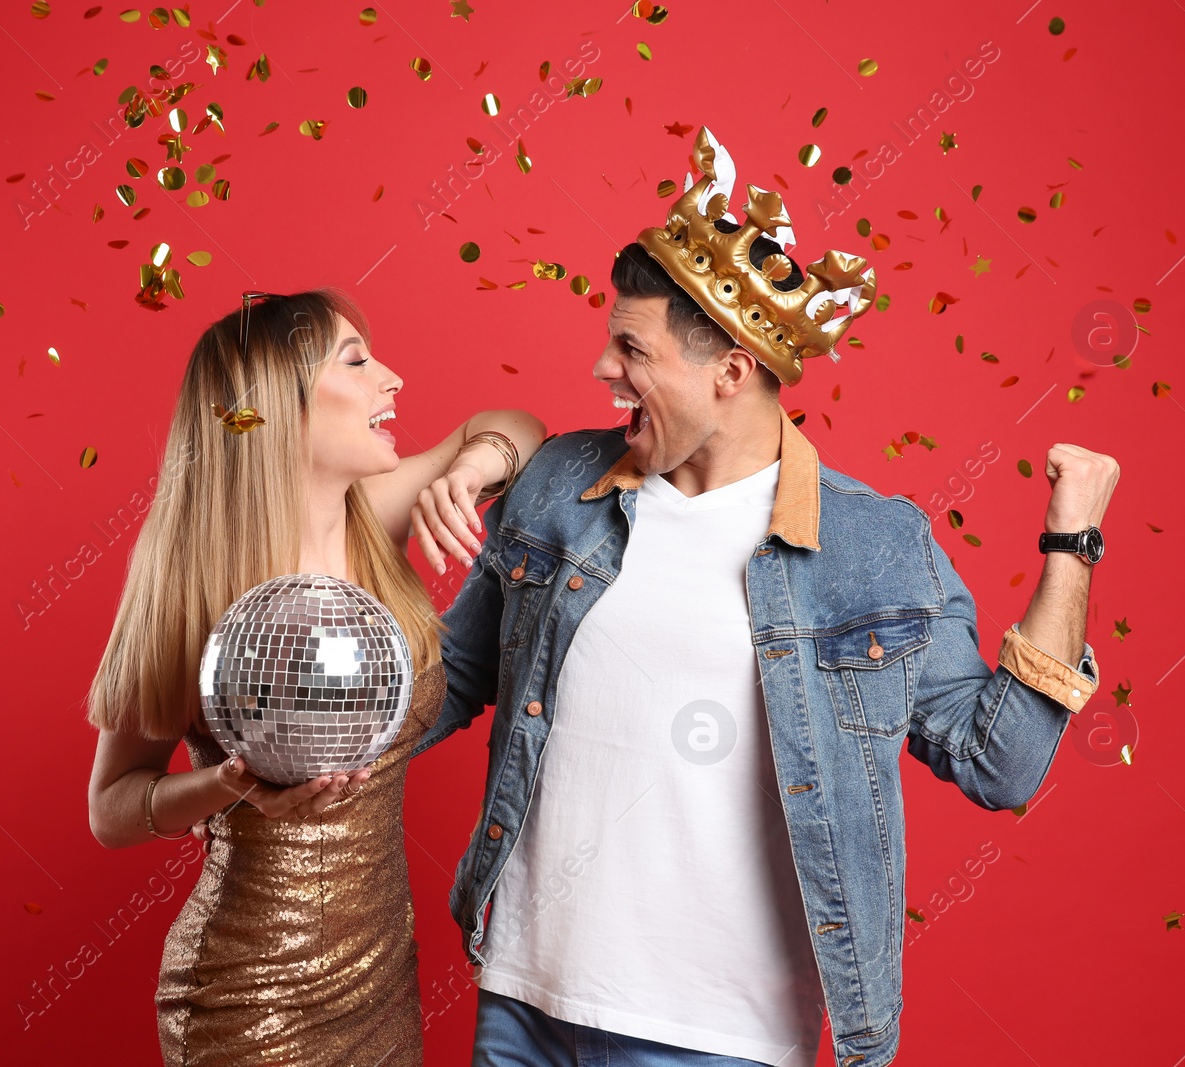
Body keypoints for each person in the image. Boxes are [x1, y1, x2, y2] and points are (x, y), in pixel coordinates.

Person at [416, 128, 1120, 1067]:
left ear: (731, 371)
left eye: (631, 348)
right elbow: (451, 674)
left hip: (712, 1040)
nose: (602, 369)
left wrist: (1071, 542)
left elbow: (1003, 764)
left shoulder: (874, 545)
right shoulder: (558, 484)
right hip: (521, 1002)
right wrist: (298, 747)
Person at [83, 288, 546, 1067]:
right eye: (356, 360)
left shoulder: (373, 515)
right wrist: (227, 784)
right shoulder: (191, 581)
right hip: (249, 997)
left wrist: (470, 470)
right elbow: (111, 808)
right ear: (275, 405)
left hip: (381, 978)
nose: (391, 379)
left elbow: (519, 427)